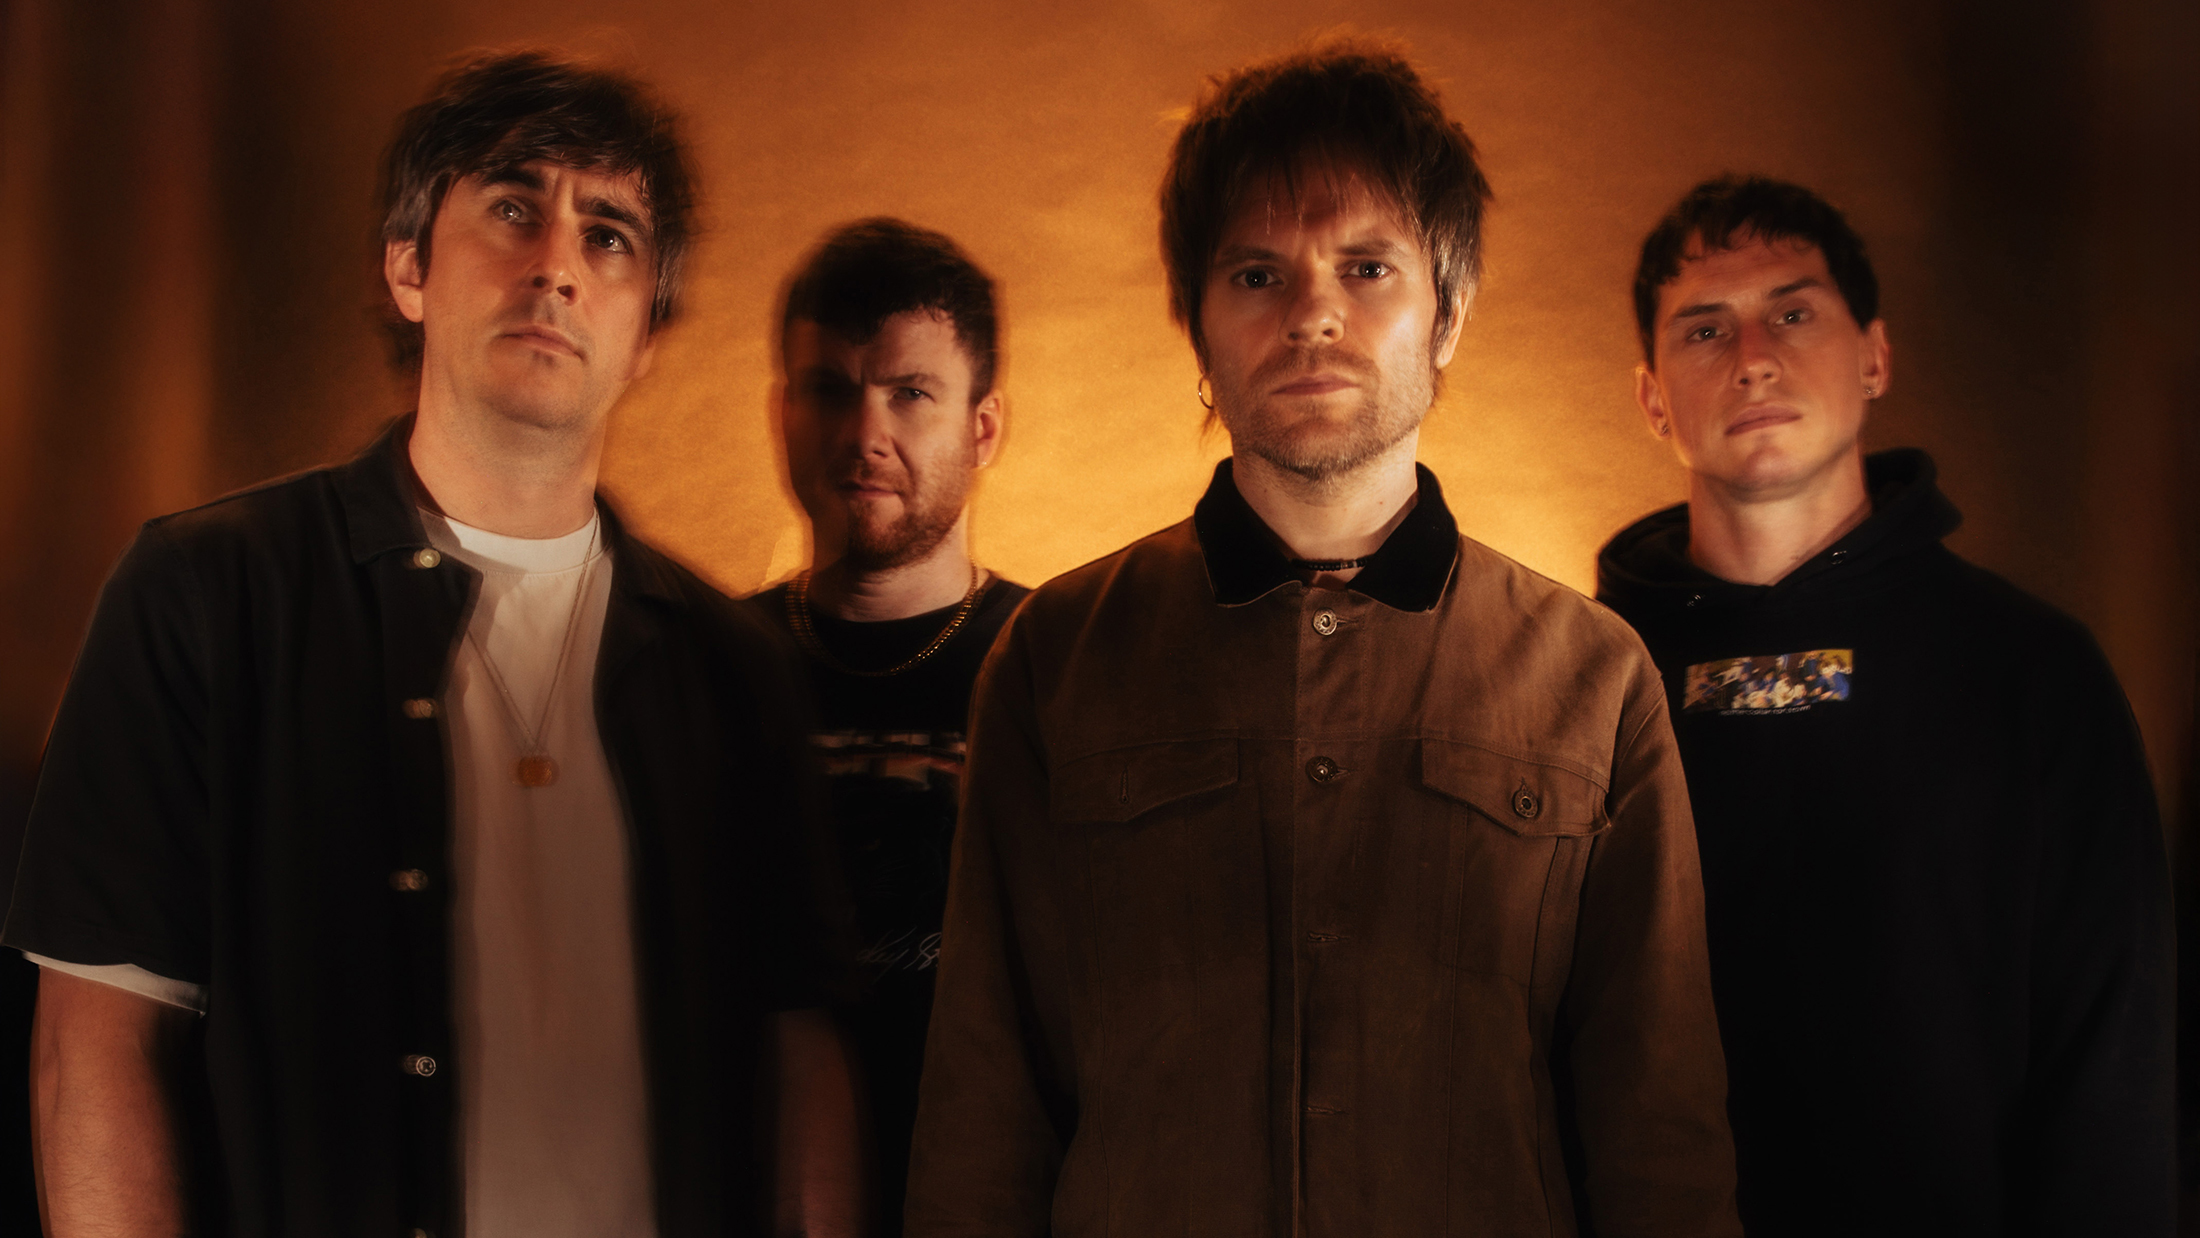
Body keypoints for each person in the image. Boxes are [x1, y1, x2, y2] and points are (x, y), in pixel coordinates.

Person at [5, 51, 860, 1238]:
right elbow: (95, 1047)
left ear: (646, 334)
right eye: (512, 207)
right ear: (409, 266)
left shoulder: (734, 670)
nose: (557, 264)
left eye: (608, 236)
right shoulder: (203, 593)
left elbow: (799, 1061)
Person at [905, 41, 1740, 1237]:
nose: (1312, 315)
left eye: (1366, 267)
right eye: (1257, 273)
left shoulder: (1594, 679)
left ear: (1447, 313)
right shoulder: (1058, 658)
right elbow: (983, 1111)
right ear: (1196, 324)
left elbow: (1659, 1132)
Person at [1596, 175, 2175, 1236]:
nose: (1752, 357)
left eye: (1792, 313)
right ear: (1652, 399)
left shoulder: (2034, 672)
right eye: (1704, 329)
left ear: (1874, 356)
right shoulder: (1581, 688)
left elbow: (2115, 1069)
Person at [751, 218, 1029, 1234]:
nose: (864, 434)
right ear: (782, 413)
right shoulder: (702, 666)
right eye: (829, 389)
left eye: (910, 393)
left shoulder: (1055, 666)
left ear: (983, 428)